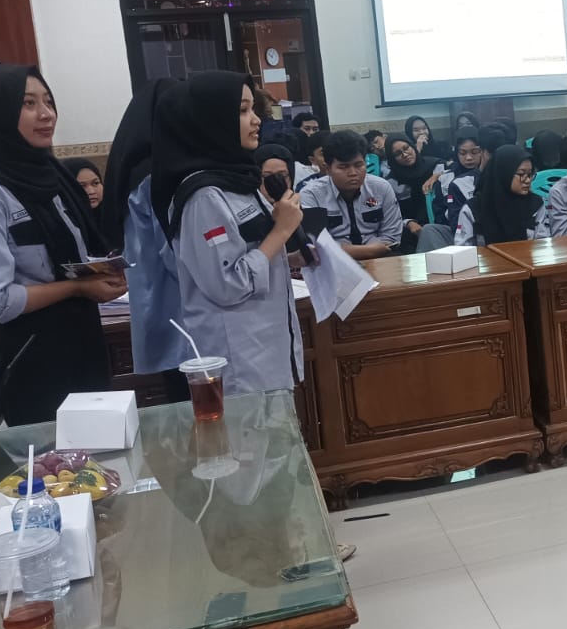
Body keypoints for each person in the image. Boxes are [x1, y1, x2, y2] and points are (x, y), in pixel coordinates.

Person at [0, 64, 124, 424]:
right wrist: (77, 288)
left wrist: (103, 272)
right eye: (28, 103)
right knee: (47, 454)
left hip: (81, 338)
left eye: (48, 101)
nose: (46, 114)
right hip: (31, 352)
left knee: (97, 444)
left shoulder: (48, 173)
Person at [151, 71, 304, 396]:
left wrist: (290, 252)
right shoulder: (203, 197)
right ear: (210, 121)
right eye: (242, 111)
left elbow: (252, 251)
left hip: (265, 348)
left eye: (253, 109)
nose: (256, 120)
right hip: (238, 360)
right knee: (250, 430)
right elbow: (226, 284)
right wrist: (281, 230)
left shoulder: (237, 180)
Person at [102, 79, 190, 399]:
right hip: (180, 312)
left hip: (160, 308)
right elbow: (176, 256)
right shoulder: (157, 176)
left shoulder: (136, 169)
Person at [299, 130, 402, 260]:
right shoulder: (311, 194)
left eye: (359, 165)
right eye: (343, 167)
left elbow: (392, 237)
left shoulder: (381, 188)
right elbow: (316, 246)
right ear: (328, 169)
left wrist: (370, 252)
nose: (353, 173)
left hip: (380, 257)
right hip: (334, 263)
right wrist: (368, 251)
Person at [452, 145, 543, 246]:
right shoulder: (474, 208)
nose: (527, 180)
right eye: (521, 174)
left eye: (530, 174)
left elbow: (543, 244)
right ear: (504, 174)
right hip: (483, 256)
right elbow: (463, 248)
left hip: (527, 256)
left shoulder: (535, 204)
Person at [380, 132, 430, 251]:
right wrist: (408, 223)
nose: (405, 154)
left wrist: (436, 176)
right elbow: (390, 214)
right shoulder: (391, 182)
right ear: (392, 159)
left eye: (406, 148)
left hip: (437, 225)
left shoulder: (433, 165)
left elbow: (455, 169)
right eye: (398, 154)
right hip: (409, 231)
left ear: (412, 146)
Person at [431, 127, 483, 224]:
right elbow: (439, 213)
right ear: (456, 153)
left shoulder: (489, 175)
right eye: (463, 153)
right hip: (452, 227)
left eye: (474, 152)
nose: (469, 158)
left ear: (482, 151)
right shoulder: (445, 179)